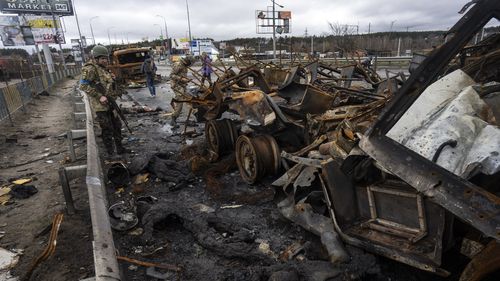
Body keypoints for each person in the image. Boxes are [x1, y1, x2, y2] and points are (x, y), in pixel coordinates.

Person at [80, 45, 128, 156]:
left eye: (106, 58)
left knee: (117, 126)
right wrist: (99, 96)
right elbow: (83, 86)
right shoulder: (90, 68)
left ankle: (120, 149)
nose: (105, 60)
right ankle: (111, 153)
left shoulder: (104, 69)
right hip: (100, 106)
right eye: (102, 58)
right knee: (107, 129)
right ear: (96, 59)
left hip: (111, 103)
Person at [169, 55, 193, 127]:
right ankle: (173, 119)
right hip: (176, 85)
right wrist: (182, 79)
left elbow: (183, 74)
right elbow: (171, 75)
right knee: (180, 101)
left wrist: (186, 80)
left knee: (191, 99)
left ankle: (195, 115)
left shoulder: (185, 65)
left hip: (182, 85)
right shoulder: (178, 65)